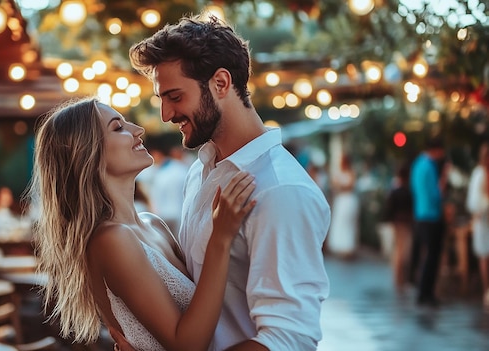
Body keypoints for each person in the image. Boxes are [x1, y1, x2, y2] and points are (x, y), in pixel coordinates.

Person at [129, 14, 331, 350]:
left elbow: (288, 339)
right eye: (162, 99)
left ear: (221, 83)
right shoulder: (200, 170)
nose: (165, 114)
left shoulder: (281, 190)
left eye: (175, 97)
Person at [28, 97, 256, 351]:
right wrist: (220, 240)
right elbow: (188, 345)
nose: (138, 130)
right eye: (118, 128)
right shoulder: (111, 240)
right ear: (87, 153)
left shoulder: (153, 224)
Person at [409, 137, 447, 307]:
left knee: (426, 255)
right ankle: (426, 292)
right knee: (432, 256)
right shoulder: (430, 166)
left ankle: (423, 290)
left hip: (420, 214)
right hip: (431, 215)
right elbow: (435, 194)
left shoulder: (417, 164)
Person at [383, 163, 414, 291]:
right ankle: (399, 278)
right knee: (402, 251)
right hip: (403, 223)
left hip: (397, 223)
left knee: (398, 250)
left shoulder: (394, 190)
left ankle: (398, 277)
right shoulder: (406, 191)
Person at [466, 141, 489, 307]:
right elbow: (474, 202)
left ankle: (487, 290)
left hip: (483, 220)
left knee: (484, 256)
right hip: (483, 220)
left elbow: (473, 202)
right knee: (484, 255)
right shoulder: (480, 174)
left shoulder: (479, 173)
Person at [326, 153, 360, 259]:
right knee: (340, 223)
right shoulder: (340, 173)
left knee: (348, 223)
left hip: (348, 200)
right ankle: (340, 247)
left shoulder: (351, 173)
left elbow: (350, 185)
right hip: (342, 200)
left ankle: (348, 247)